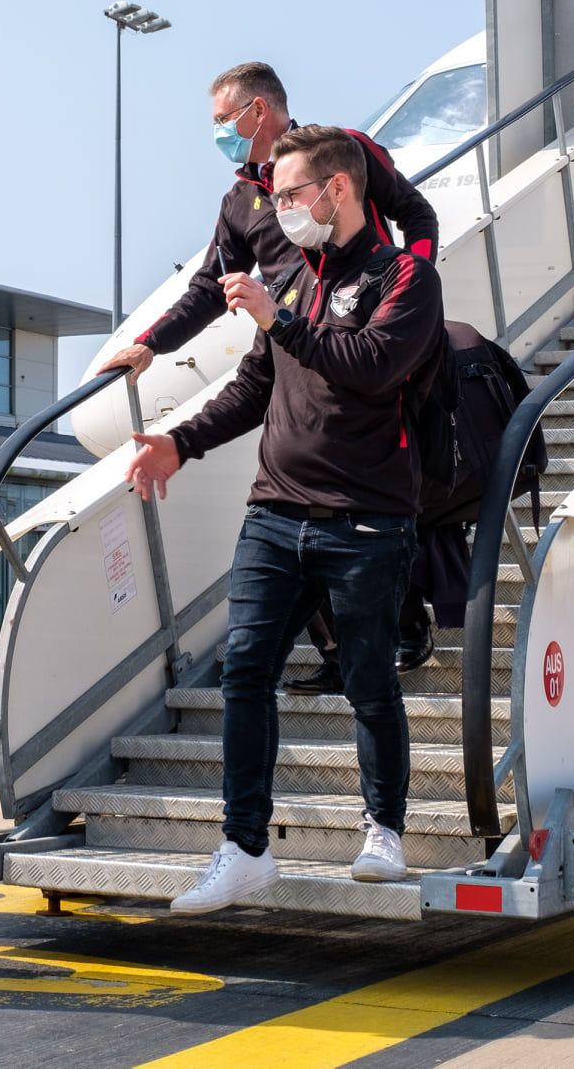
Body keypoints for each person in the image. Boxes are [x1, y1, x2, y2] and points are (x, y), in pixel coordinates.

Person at [125, 126, 444, 913]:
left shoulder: (405, 276)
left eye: (292, 194)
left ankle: (383, 829)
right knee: (244, 673)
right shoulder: (295, 282)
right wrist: (179, 442)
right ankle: (244, 848)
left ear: (337, 189)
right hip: (274, 513)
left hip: (366, 520)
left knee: (369, 680)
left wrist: (278, 320)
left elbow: (372, 368)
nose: (279, 208)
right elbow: (254, 385)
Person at [100, 61, 441, 689]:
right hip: (290, 346)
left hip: (365, 341)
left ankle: (406, 619)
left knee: (382, 482)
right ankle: (336, 655)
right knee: (295, 494)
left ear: (258, 111)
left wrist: (413, 288)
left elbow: (417, 214)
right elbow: (211, 287)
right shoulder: (239, 201)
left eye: (222, 120)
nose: (217, 133)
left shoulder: (341, 154)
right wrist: (150, 345)